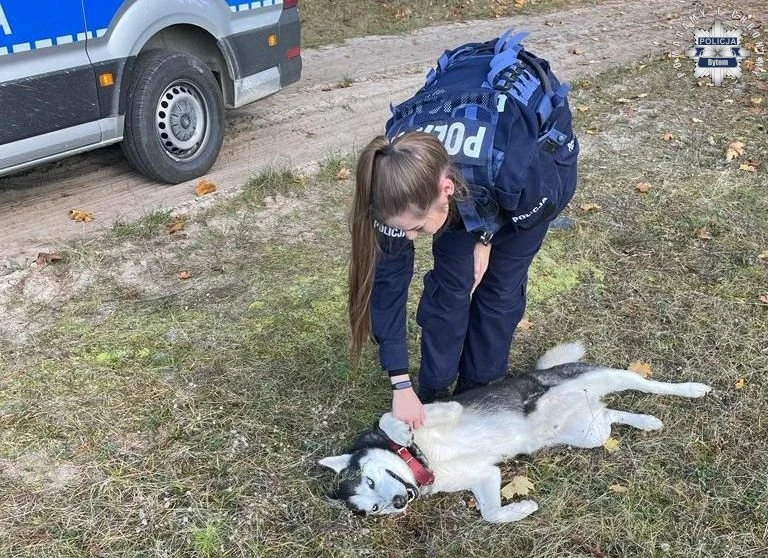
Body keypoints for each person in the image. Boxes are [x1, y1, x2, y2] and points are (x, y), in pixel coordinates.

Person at [347, 31, 579, 430]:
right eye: (405, 229)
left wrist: (487, 235)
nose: (412, 237)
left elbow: (543, 202)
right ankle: (436, 388)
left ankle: (481, 387)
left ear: (446, 191)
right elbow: (388, 283)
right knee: (453, 285)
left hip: (531, 162)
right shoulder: (391, 179)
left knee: (498, 288)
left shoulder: (517, 169)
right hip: (463, 153)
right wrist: (401, 383)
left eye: (418, 227)